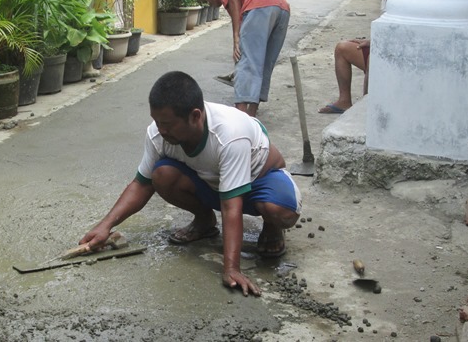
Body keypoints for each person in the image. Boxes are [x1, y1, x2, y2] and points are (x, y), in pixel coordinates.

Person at [80, 71, 302, 297]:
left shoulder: (230, 134)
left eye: (167, 124)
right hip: (215, 184)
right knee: (162, 175)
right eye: (157, 121)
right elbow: (141, 185)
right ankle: (204, 221)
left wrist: (231, 269)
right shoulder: (158, 134)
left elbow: (231, 206)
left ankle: (272, 227)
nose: (161, 130)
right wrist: (104, 226)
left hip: (261, 180)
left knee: (280, 211)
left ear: (195, 116)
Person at [199, 0, 290, 117]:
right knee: (263, 64)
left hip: (260, 5)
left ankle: (241, 115)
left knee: (247, 62)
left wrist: (236, 38)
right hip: (282, 8)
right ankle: (251, 114)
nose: (209, 3)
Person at [318, 0, 401, 114]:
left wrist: (377, 45)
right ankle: (344, 101)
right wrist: (371, 41)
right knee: (343, 48)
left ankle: (367, 105)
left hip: (398, 59)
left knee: (373, 57)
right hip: (384, 49)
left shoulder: (404, 2)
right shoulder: (387, 1)